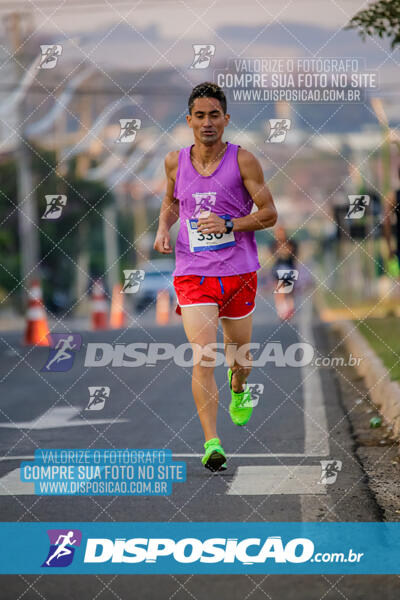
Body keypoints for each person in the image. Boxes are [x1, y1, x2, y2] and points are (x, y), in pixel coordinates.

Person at [153, 82, 277, 471]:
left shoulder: (244, 161)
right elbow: (172, 201)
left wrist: (230, 223)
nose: (207, 122)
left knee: (239, 358)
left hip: (239, 272)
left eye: (214, 115)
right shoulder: (175, 161)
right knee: (204, 355)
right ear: (189, 120)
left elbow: (269, 213)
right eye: (200, 116)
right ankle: (211, 442)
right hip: (193, 273)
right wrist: (162, 229)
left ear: (225, 120)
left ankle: (238, 387)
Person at [270, 226, 298, 320]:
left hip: (289, 269)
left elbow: (294, 255)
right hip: (278, 269)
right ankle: (282, 311)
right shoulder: (274, 244)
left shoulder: (291, 242)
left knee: (289, 291)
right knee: (280, 291)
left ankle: (289, 310)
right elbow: (273, 254)